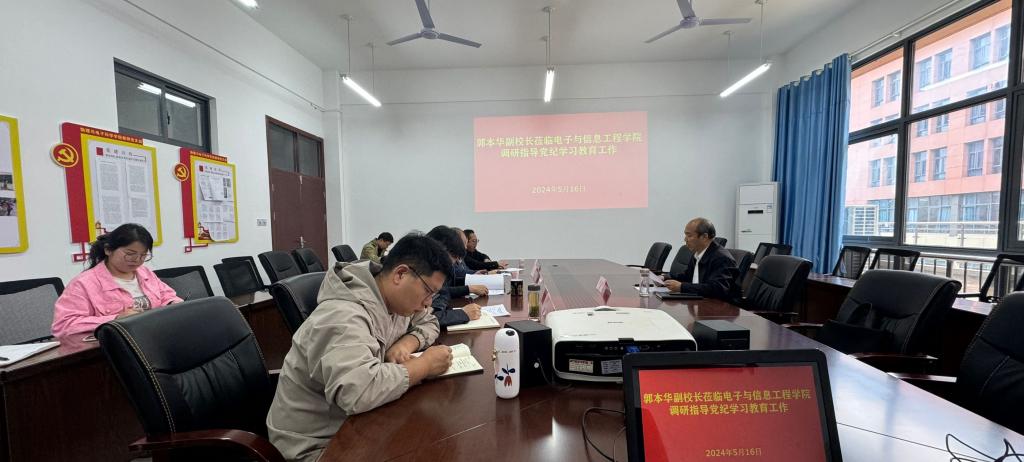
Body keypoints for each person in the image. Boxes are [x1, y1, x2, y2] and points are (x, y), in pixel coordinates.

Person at [266, 233, 453, 462]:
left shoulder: (394, 301)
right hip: (317, 447)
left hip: (359, 423)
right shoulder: (342, 315)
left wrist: (407, 343)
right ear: (400, 274)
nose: (428, 303)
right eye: (428, 291)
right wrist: (424, 366)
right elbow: (358, 391)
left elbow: (430, 322)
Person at [51, 223, 181, 337]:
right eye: (130, 254)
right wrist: (116, 318)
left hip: (154, 337)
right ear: (108, 250)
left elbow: (167, 296)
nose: (137, 260)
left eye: (143, 255)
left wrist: (173, 304)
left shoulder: (145, 273)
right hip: (114, 346)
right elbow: (63, 325)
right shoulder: (83, 284)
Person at [426, 225, 487, 327]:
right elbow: (428, 319)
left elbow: (443, 292)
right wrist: (462, 314)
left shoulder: (439, 270)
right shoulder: (424, 273)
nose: (456, 262)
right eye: (463, 243)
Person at [663, 217, 738, 300]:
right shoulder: (698, 253)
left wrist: (682, 287)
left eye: (689, 235)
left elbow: (718, 289)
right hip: (699, 300)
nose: (685, 239)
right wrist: (665, 278)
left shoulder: (722, 258)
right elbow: (687, 276)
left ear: (704, 237)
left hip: (717, 305)